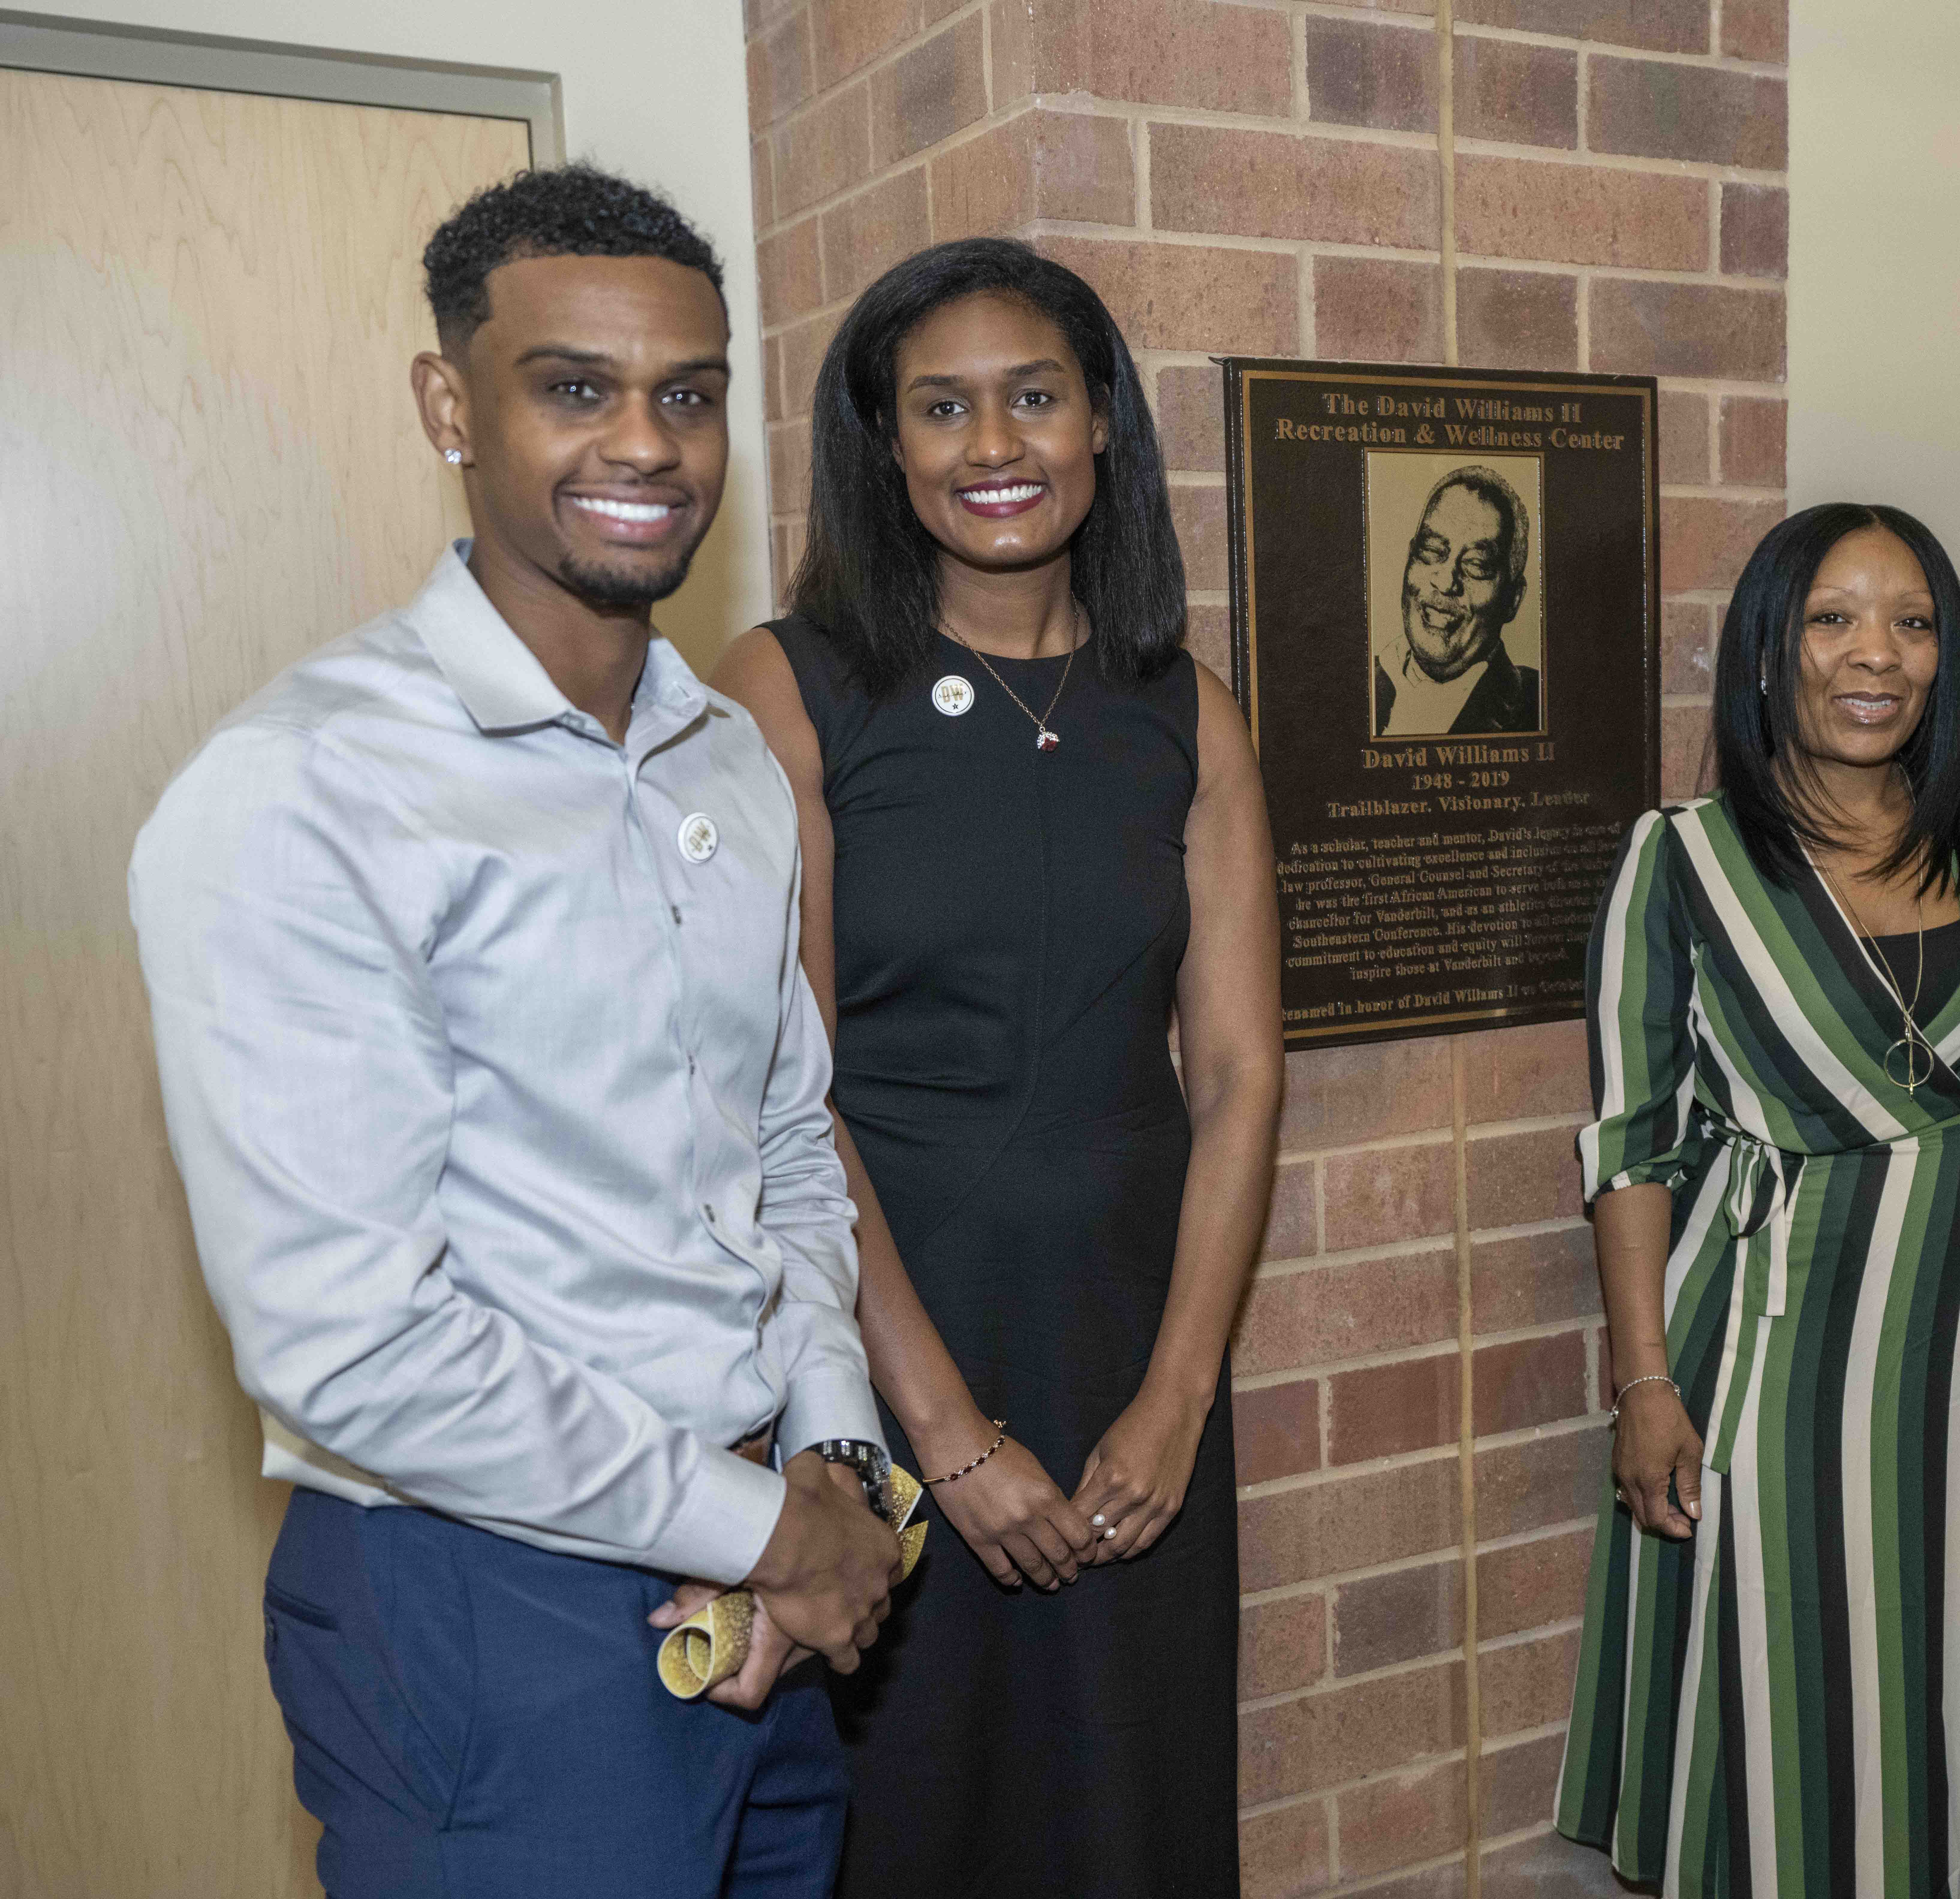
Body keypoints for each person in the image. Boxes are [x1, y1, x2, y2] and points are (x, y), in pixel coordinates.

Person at [129, 166, 899, 1897]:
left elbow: (782, 1144)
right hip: (485, 1600)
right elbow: (353, 1343)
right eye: (576, 389)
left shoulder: (722, 754)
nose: (647, 443)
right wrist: (772, 1528)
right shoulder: (306, 788)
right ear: (447, 405)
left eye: (687, 394)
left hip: (763, 1558)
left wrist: (831, 1461)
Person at [711, 237, 1282, 1896]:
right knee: (924, 1814)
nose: (993, 445)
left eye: (1033, 397)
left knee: (1137, 1801)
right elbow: (779, 1090)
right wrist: (943, 1437)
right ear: (884, 445)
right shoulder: (797, 688)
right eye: (940, 407)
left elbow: (1241, 1073)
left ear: (1103, 420)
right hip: (888, 1349)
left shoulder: (1189, 708)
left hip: (1130, 1344)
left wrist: (1175, 1403)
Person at [1555, 503, 1960, 1897]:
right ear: (1768, 649)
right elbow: (1628, 1140)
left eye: (1911, 621)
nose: (1874, 653)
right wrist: (1641, 1378)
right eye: (1830, 617)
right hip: (1775, 1330)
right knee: (1786, 1666)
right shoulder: (1680, 860)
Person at [1372, 462, 1542, 734]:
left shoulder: (1539, 704)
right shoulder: (1356, 681)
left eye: (1476, 564)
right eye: (1431, 550)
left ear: (1513, 599)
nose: (1446, 581)